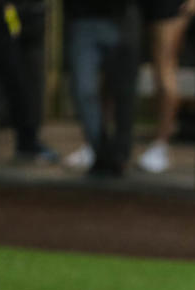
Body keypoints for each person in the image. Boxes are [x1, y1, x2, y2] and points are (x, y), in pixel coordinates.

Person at [0, 0, 58, 162]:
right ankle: (26, 140)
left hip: (5, 13)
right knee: (7, 76)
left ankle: (27, 140)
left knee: (16, 77)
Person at [64, 0, 142, 177]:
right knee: (83, 90)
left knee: (124, 93)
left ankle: (120, 154)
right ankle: (101, 152)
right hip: (82, 19)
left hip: (120, 19)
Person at [135, 0, 195, 173]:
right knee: (114, 65)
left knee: (164, 68)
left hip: (169, 7)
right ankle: (97, 142)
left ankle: (161, 145)